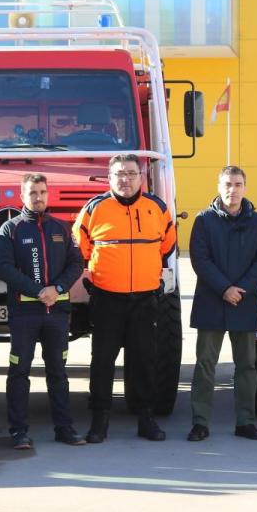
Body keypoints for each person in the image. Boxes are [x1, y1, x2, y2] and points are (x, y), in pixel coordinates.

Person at [73, 153, 177, 443]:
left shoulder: (156, 207)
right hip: (107, 299)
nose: (126, 179)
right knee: (102, 361)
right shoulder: (95, 208)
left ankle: (146, 419)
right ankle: (99, 421)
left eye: (131, 173)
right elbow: (80, 248)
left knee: (144, 360)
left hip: (145, 299)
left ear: (141, 177)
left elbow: (167, 245)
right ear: (109, 178)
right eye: (119, 174)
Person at [0, 173, 85, 450]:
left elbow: (76, 263)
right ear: (22, 195)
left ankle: (64, 428)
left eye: (42, 192)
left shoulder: (61, 228)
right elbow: (4, 268)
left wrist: (57, 288)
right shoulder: (10, 229)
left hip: (57, 313)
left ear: (48, 194)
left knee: (58, 372)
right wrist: (38, 291)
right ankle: (18, 431)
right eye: (32, 192)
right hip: (24, 313)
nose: (38, 197)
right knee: (19, 372)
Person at [187, 166, 257, 442]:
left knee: (247, 365)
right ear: (219, 186)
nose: (232, 190)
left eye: (237, 184)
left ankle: (245, 422)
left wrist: (241, 289)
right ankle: (200, 423)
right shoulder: (204, 220)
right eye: (227, 184)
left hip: (245, 303)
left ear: (245, 188)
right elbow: (200, 259)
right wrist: (224, 288)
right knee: (205, 365)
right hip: (211, 302)